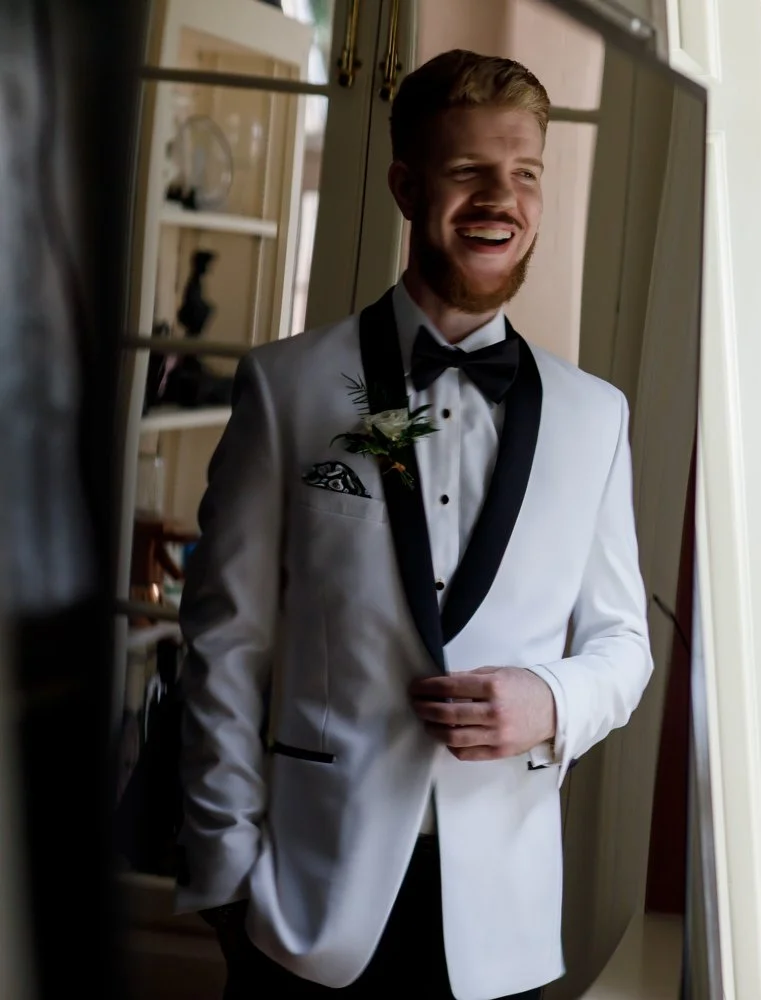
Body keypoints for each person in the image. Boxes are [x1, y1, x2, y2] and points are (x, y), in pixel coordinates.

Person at [174, 49, 653, 1000]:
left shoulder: (596, 416)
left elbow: (622, 644)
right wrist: (225, 875)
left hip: (502, 925)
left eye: (524, 173)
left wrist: (551, 700)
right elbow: (225, 644)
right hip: (306, 909)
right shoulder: (289, 387)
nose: (500, 199)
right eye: (469, 170)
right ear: (405, 186)